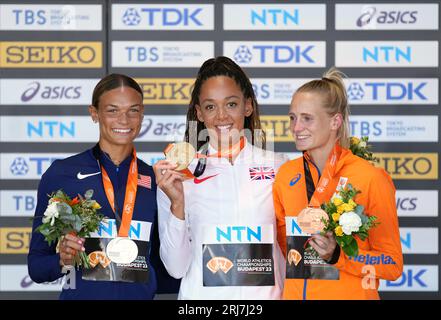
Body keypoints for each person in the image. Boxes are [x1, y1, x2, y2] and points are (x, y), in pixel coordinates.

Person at [28, 74, 179, 299]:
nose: (124, 120)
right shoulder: (62, 173)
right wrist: (63, 260)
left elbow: (169, 267)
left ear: (142, 114)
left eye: (133, 110)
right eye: (112, 110)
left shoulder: (156, 179)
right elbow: (37, 266)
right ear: (94, 113)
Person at [153, 56, 287, 299]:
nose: (222, 116)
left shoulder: (279, 167)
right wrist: (177, 205)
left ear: (248, 106)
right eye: (211, 106)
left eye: (231, 104)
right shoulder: (178, 174)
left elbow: (295, 254)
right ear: (200, 113)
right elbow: (175, 268)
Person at [273, 67, 403, 300]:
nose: (296, 127)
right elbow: (285, 250)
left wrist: (339, 255)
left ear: (335, 121)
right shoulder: (285, 175)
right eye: (292, 118)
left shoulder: (371, 177)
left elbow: (391, 264)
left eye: (307, 118)